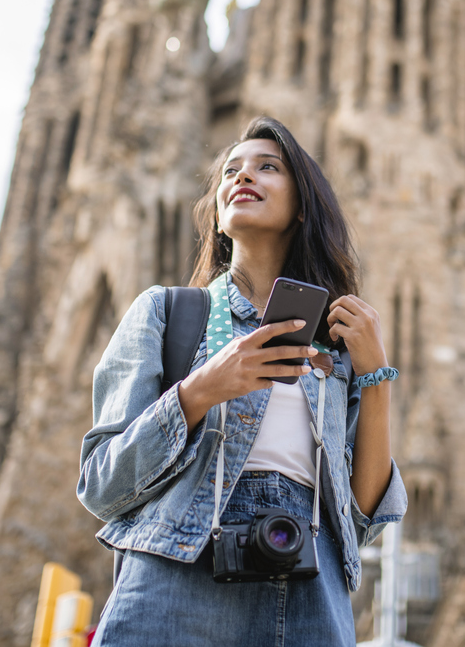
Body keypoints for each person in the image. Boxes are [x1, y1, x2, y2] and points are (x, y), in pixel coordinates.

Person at [78, 117, 407, 646]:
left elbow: (363, 518)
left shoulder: (333, 345)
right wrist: (201, 389)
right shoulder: (167, 314)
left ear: (302, 206)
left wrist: (376, 377)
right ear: (217, 214)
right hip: (178, 582)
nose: (242, 177)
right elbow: (100, 483)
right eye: (230, 170)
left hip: (309, 595)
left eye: (266, 167)